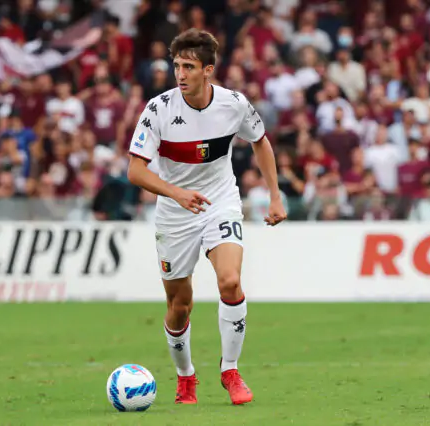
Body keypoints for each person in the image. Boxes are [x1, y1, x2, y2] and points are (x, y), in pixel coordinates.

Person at [126, 28, 287, 406]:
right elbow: (136, 170)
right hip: (174, 212)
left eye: (188, 67)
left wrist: (275, 195)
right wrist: (177, 193)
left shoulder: (234, 104)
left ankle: (230, 370)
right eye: (177, 66)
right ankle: (186, 377)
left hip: (219, 202)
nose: (180, 74)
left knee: (230, 281)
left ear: (208, 70)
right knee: (179, 305)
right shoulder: (158, 109)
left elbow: (260, 142)